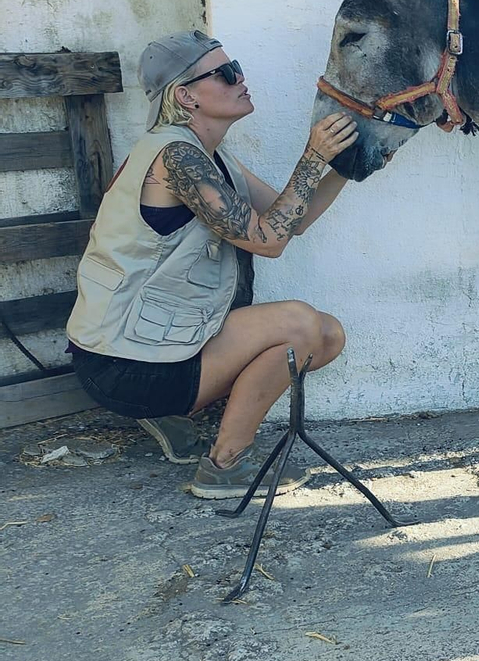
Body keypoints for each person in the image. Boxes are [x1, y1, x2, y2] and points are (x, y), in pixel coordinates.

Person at [66, 31, 359, 498]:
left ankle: (171, 415)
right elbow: (268, 240)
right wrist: (313, 156)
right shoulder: (176, 158)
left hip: (153, 344)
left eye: (236, 66)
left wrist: (351, 164)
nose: (240, 78)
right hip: (123, 362)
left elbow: (291, 220)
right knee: (301, 325)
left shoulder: (211, 156)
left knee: (328, 334)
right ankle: (224, 465)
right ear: (185, 96)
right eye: (224, 73)